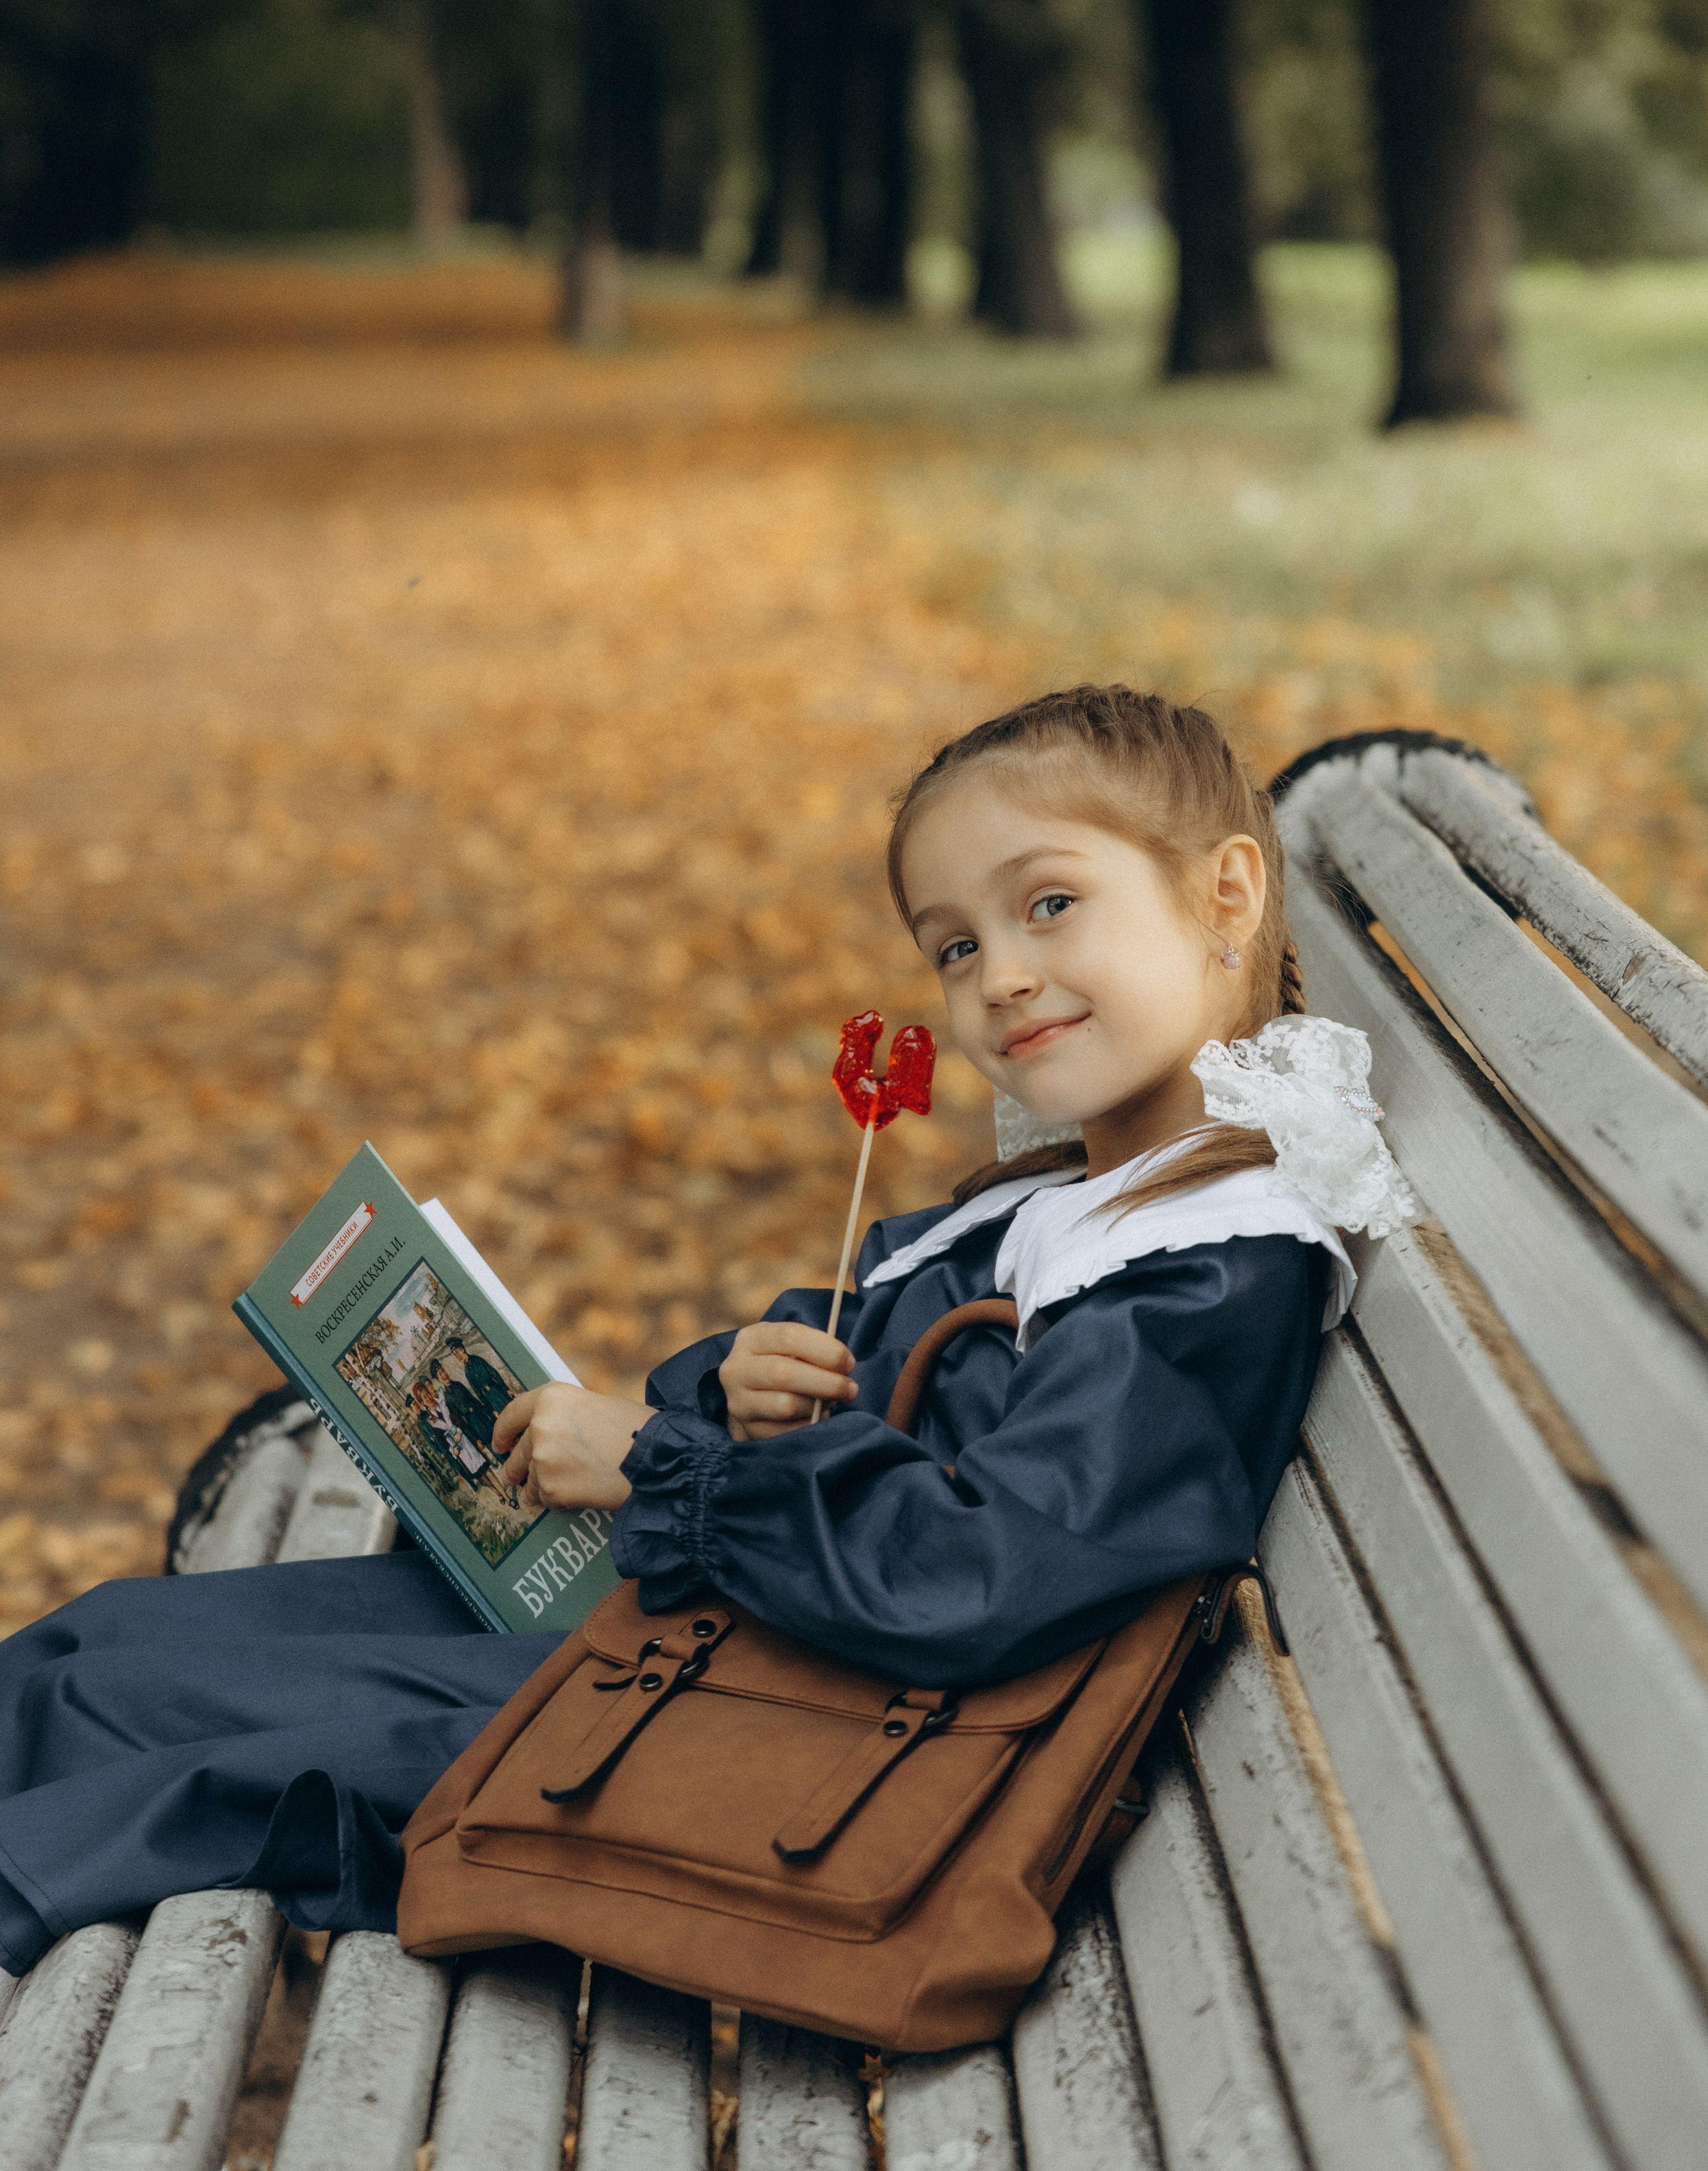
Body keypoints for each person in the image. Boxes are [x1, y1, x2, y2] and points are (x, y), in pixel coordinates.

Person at [0, 686, 1409, 2011]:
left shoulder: (1207, 1267)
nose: (1000, 978)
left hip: (801, 1736)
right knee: (100, 1650)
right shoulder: (1069, 1197)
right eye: (956, 944)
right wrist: (729, 1388)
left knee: (177, 1731)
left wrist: (663, 1465)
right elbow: (858, 1370)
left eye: (1048, 903)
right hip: (750, 1631)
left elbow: (977, 1570)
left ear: (1222, 893)